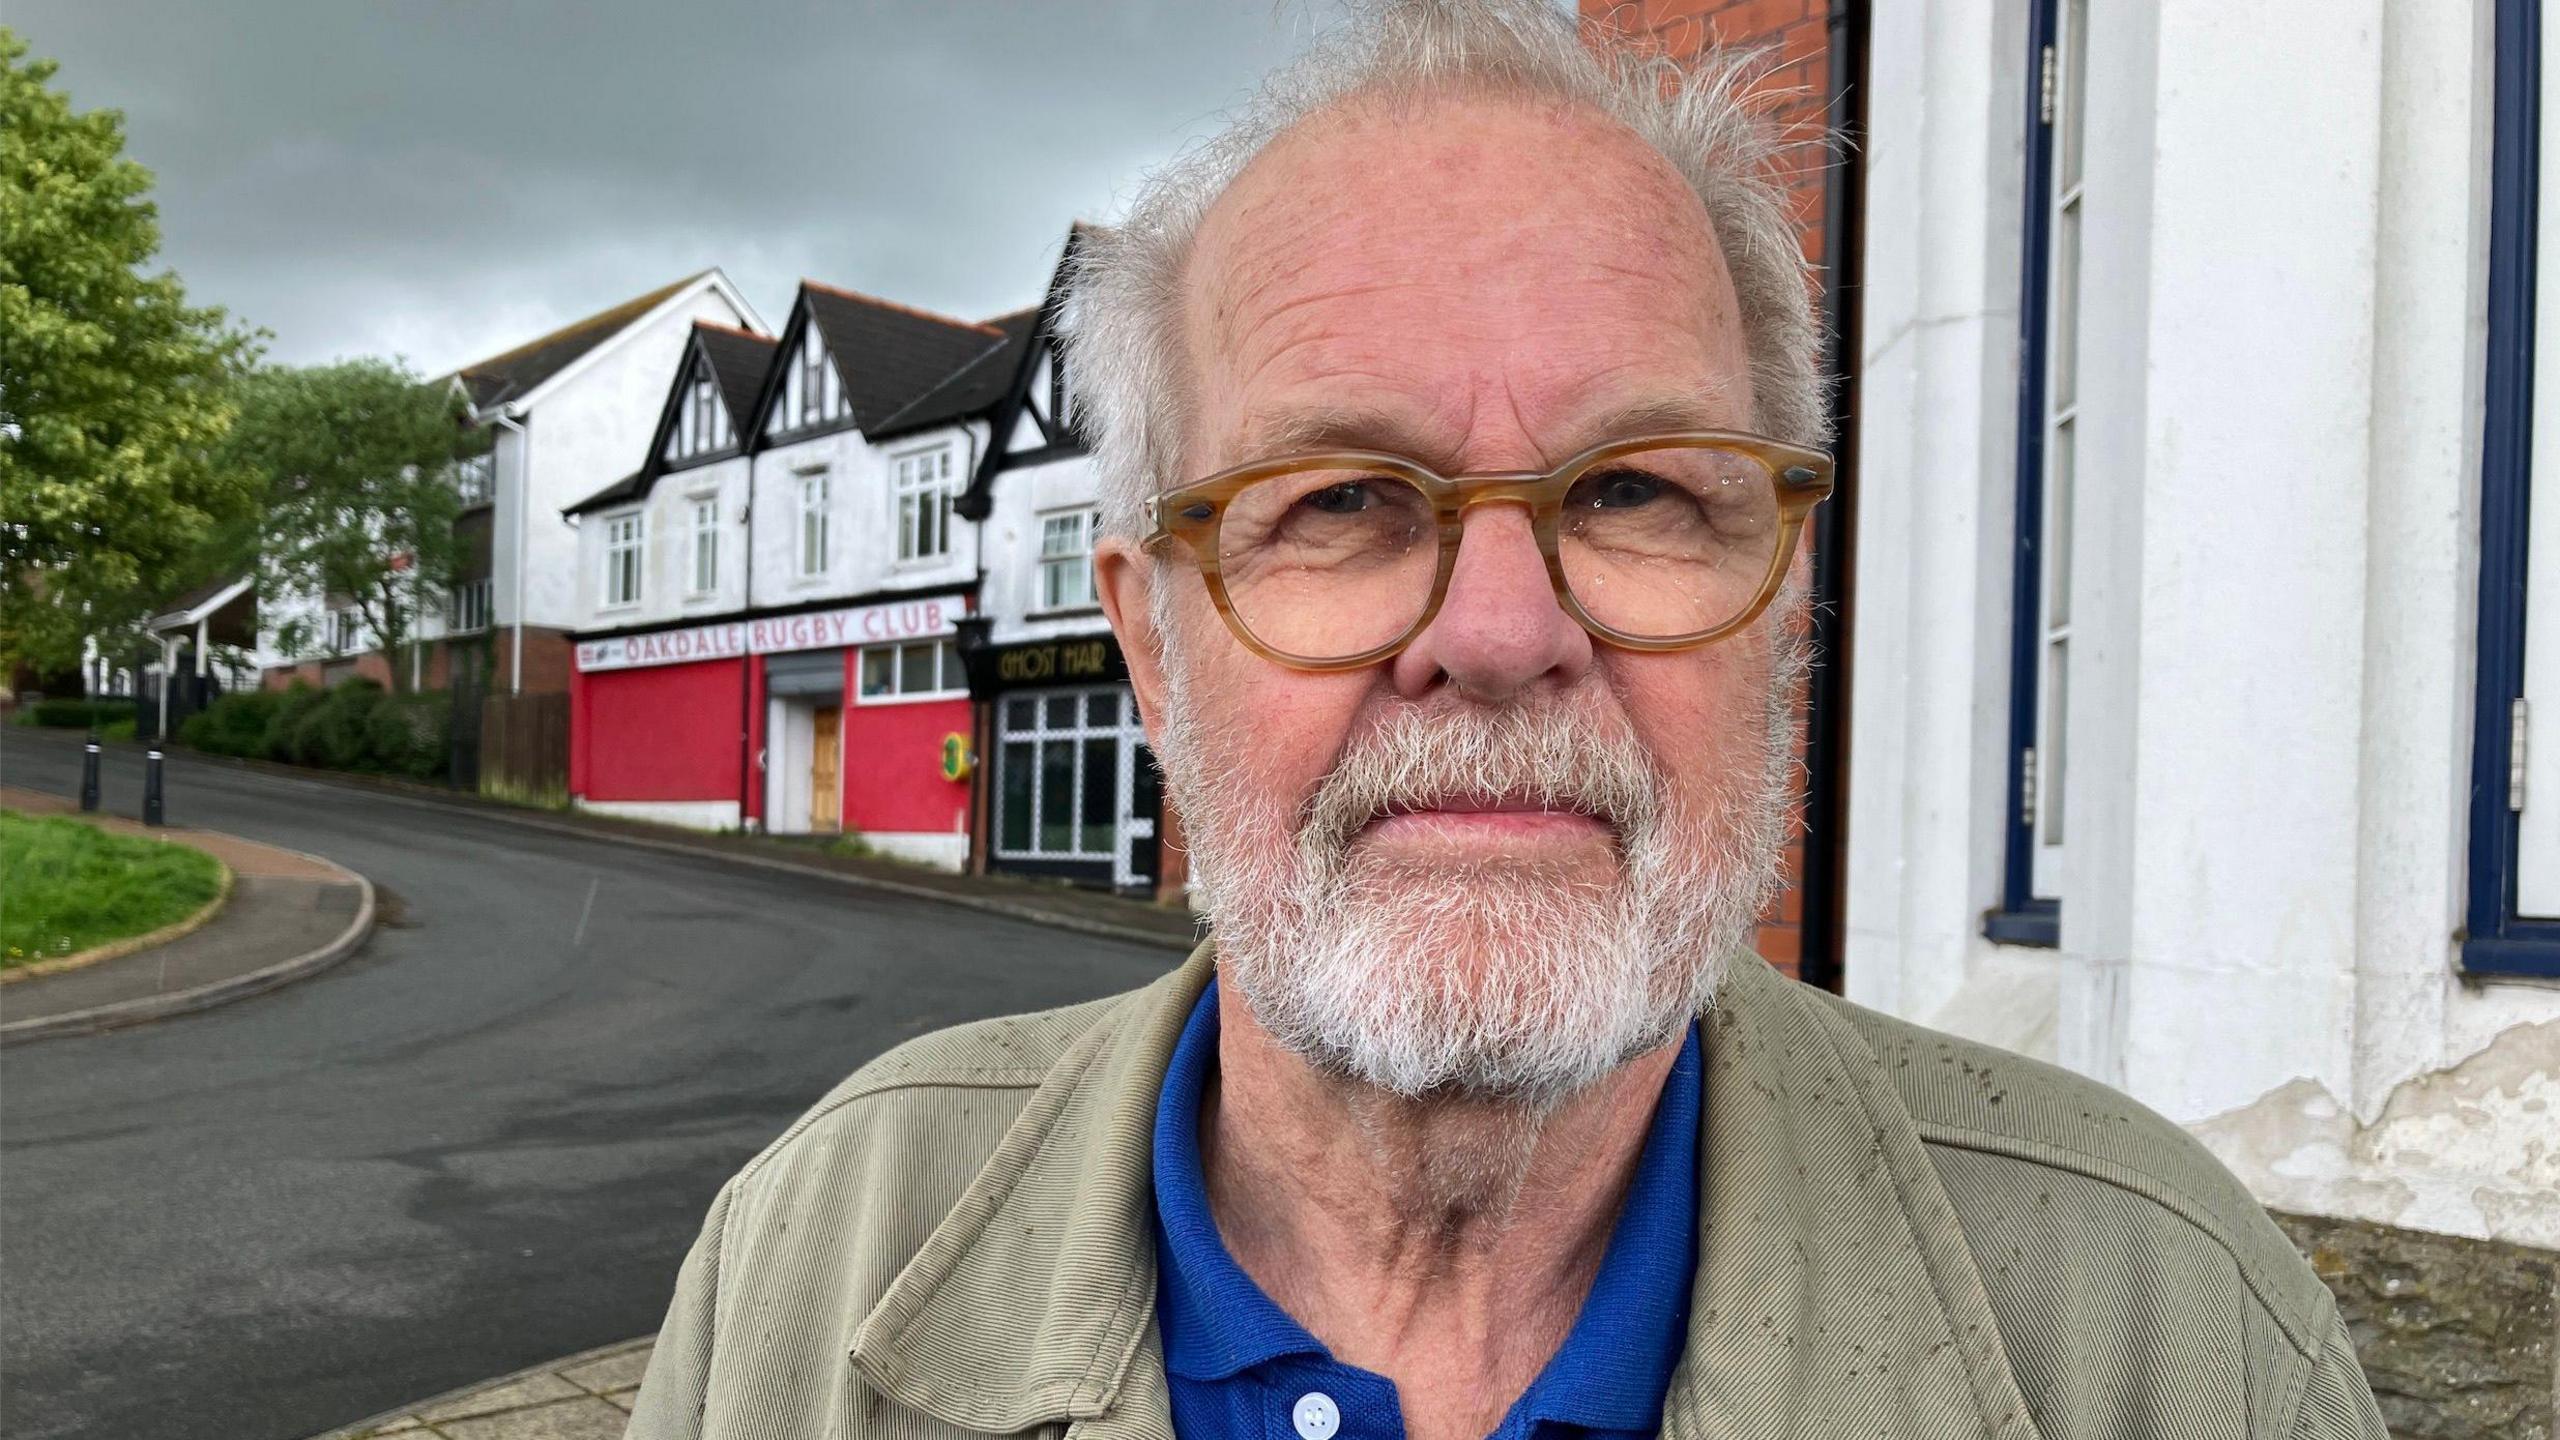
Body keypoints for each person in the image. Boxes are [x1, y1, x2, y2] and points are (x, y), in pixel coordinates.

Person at [627, 4, 2388, 1437]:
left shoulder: (2163, 1340)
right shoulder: (812, 1258)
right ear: (1154, 654)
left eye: (1629, 490)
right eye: (1336, 500)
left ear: (1777, 617)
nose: (1496, 632)